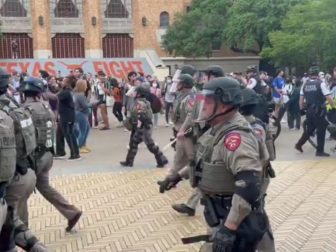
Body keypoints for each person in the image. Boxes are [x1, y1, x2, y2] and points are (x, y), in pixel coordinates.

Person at [158, 77, 274, 251]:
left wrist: (229, 228)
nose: (202, 104)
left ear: (225, 104)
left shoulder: (237, 138)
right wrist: (176, 176)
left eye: (208, 100)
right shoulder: (217, 129)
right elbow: (205, 161)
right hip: (221, 214)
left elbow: (249, 185)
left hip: (238, 220)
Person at [21, 77, 83, 233]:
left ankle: (21, 232)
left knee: (18, 193)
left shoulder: (24, 110)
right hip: (47, 155)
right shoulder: (46, 107)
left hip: (34, 159)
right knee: (44, 187)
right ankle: (71, 212)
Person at [0, 68, 47, 251]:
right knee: (11, 221)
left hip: (10, 179)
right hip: (26, 174)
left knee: (7, 229)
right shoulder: (14, 105)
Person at [120, 86, 168, 168]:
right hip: (143, 126)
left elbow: (141, 116)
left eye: (135, 92)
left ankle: (162, 160)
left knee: (150, 145)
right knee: (133, 143)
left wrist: (134, 124)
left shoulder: (140, 103)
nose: (133, 93)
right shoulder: (141, 101)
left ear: (139, 94)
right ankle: (129, 162)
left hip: (144, 127)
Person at [295, 67, 336, 156]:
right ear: (317, 75)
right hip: (319, 111)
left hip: (309, 110)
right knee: (321, 130)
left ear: (309, 75)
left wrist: (301, 109)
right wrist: (333, 106)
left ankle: (299, 144)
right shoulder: (321, 84)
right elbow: (328, 97)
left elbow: (301, 99)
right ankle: (319, 151)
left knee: (310, 129)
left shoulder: (305, 84)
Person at [57, 75, 81, 160]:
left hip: (66, 117)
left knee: (69, 135)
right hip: (67, 116)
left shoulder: (66, 92)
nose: (61, 82)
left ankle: (75, 154)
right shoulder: (69, 91)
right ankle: (60, 152)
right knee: (59, 133)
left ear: (67, 84)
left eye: (63, 81)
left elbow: (55, 97)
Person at [74, 79, 91, 153]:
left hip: (80, 113)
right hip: (81, 114)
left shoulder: (78, 94)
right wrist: (93, 104)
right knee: (83, 131)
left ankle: (83, 145)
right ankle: (80, 146)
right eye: (85, 85)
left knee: (87, 129)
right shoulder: (80, 95)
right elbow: (85, 105)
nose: (87, 86)